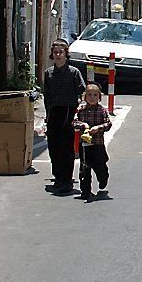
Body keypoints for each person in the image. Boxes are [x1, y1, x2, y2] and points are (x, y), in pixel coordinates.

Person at [43, 39, 86, 194]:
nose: (58, 55)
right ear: (52, 55)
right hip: (54, 112)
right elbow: (46, 96)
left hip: (69, 111)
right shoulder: (49, 73)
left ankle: (66, 179)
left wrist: (81, 107)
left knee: (66, 147)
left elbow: (82, 91)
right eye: (55, 52)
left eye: (61, 52)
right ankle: (58, 176)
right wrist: (47, 116)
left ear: (66, 54)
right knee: (53, 146)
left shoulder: (74, 72)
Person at [74, 84, 112, 200]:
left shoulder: (102, 110)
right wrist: (83, 125)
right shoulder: (81, 110)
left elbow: (108, 124)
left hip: (98, 144)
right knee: (85, 168)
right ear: (85, 97)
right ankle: (85, 191)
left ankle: (103, 177)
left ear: (99, 97)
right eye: (89, 95)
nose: (92, 97)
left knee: (100, 165)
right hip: (85, 145)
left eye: (95, 95)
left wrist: (98, 128)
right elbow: (74, 122)